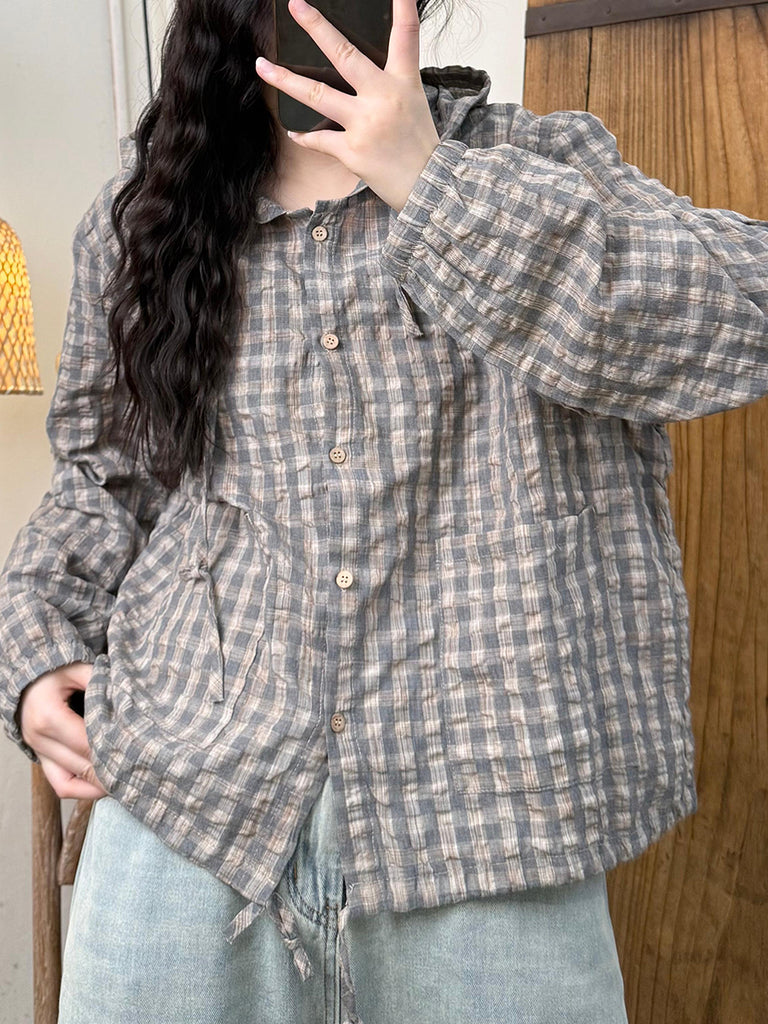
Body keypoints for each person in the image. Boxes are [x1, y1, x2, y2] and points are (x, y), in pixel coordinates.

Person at [2, 0, 767, 1020]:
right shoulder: (145, 221)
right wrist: (37, 646)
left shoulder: (539, 165)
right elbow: (103, 479)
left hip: (489, 832)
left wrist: (431, 185)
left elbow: (740, 317)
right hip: (187, 815)